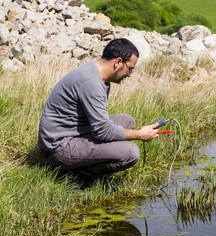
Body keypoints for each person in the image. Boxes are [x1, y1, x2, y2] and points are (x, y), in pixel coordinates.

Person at [38, 38, 160, 182]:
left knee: (127, 121)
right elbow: (103, 131)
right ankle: (74, 177)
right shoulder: (91, 82)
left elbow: (101, 126)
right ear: (118, 62)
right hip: (58, 148)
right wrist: (140, 135)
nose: (129, 74)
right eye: (130, 68)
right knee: (131, 153)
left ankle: (79, 168)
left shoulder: (98, 74)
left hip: (75, 133)